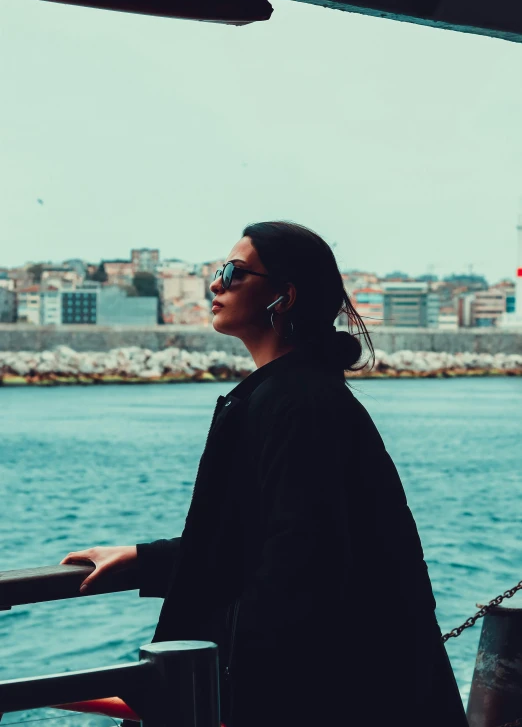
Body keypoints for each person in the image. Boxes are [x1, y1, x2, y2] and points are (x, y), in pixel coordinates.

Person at [60, 221, 468, 727]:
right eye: (216, 272)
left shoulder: (296, 404)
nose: (215, 283)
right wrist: (141, 558)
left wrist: (232, 691)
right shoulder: (295, 393)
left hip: (314, 698)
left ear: (285, 296)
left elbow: (299, 565)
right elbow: (251, 541)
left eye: (233, 271)